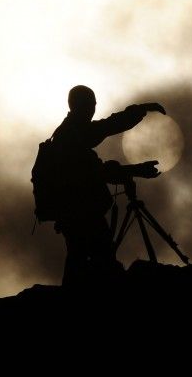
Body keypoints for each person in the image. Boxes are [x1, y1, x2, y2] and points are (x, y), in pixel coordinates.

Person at [51, 85, 165, 286]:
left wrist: (138, 111)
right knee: (97, 260)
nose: (94, 109)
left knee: (79, 261)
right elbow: (97, 169)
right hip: (80, 213)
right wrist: (134, 171)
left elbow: (105, 133)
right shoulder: (71, 136)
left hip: (74, 212)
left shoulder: (72, 132)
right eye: (91, 105)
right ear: (81, 106)